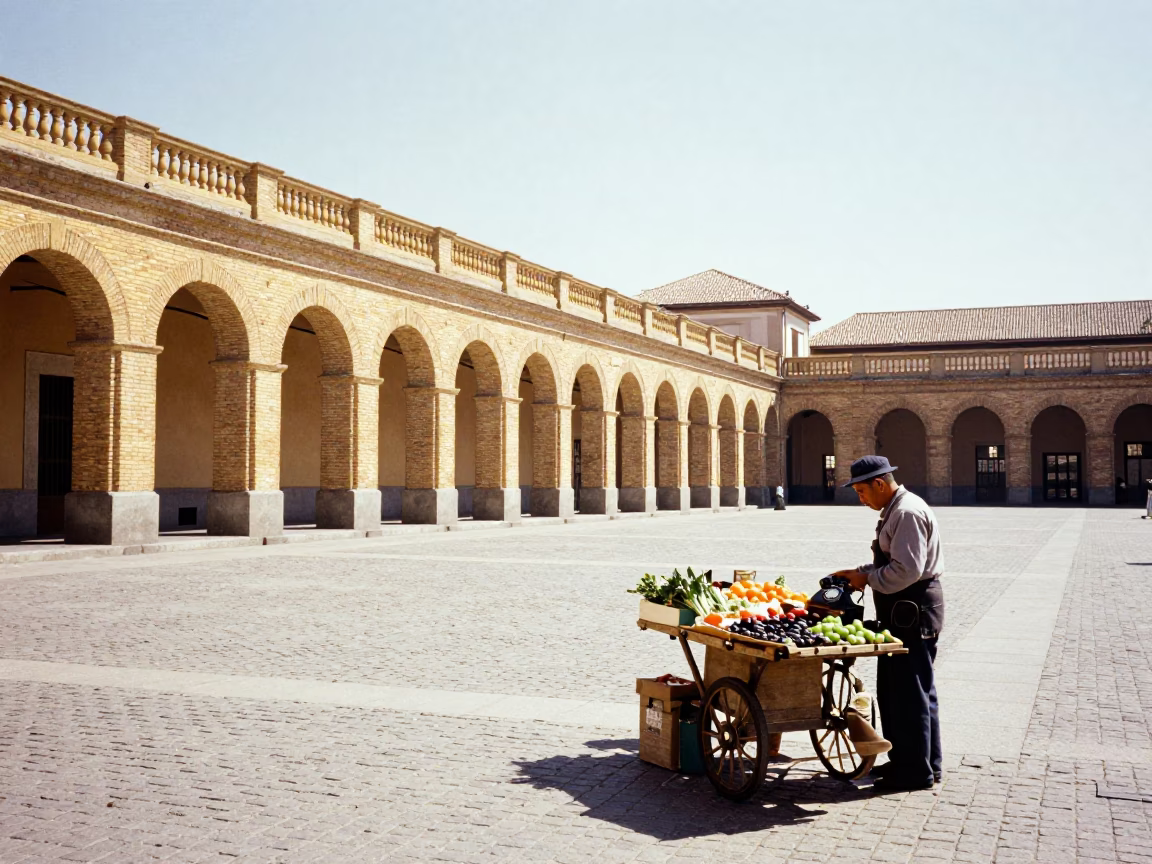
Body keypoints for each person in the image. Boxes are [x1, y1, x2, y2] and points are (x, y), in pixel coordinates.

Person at [830, 455, 944, 791]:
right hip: (902, 611)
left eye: (863, 492)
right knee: (907, 691)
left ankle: (914, 772)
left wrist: (866, 579)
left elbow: (906, 570)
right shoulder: (897, 508)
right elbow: (894, 560)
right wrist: (862, 572)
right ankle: (918, 762)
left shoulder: (907, 511)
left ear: (880, 484)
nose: (861, 499)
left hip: (913, 610)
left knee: (910, 694)